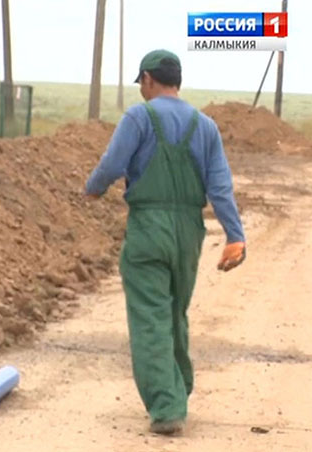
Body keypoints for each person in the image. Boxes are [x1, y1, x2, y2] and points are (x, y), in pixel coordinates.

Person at [84, 49, 246, 436]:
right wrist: (235, 235)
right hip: (189, 231)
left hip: (148, 227)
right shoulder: (205, 125)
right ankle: (179, 388)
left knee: (151, 316)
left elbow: (112, 164)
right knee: (176, 312)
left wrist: (93, 188)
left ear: (147, 79)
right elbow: (220, 186)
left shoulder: (140, 116)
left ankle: (167, 405)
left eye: (141, 82)